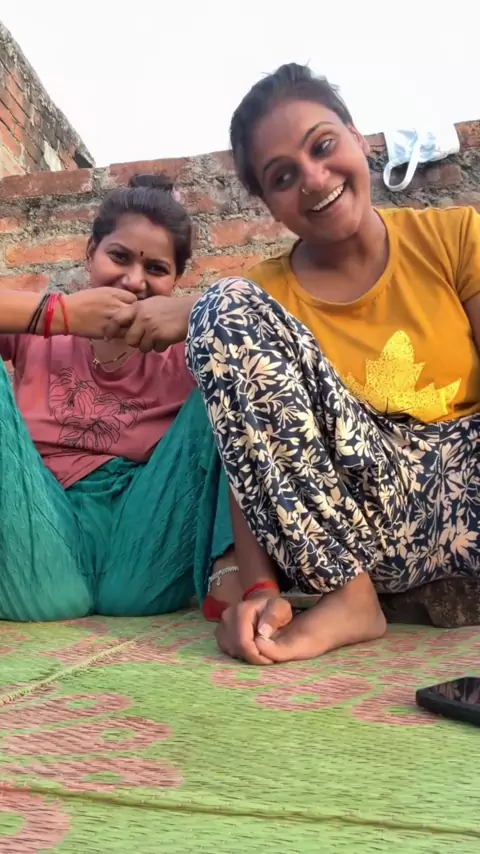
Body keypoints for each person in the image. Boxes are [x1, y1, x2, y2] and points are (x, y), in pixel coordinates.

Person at [180, 63, 480, 665]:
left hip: (466, 491)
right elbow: (255, 455)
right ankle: (350, 598)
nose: (314, 179)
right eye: (283, 176)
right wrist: (259, 590)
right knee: (221, 305)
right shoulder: (264, 298)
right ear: (270, 205)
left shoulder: (454, 235)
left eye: (322, 146)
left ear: (357, 136)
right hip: (357, 522)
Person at [0, 174, 240, 622]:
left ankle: (235, 574)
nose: (133, 281)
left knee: (236, 373)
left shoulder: (184, 353)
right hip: (37, 538)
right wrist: (59, 315)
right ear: (91, 253)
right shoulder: (42, 328)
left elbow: (268, 326)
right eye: (119, 257)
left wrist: (195, 313)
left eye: (156, 269)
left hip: (142, 553)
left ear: (177, 280)